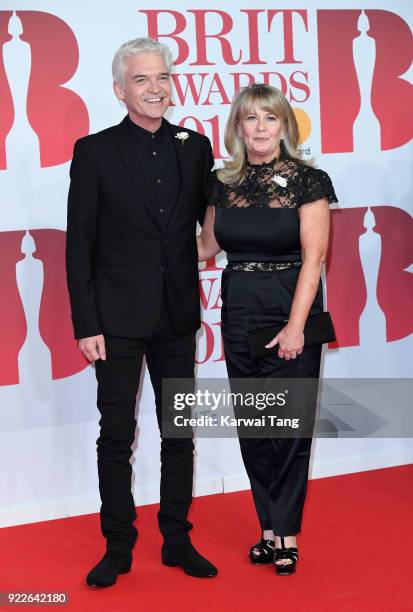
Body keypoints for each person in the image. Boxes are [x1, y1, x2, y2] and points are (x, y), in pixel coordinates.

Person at [66, 37, 217, 587]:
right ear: (119, 89)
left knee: (179, 431)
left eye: (162, 78)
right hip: (116, 321)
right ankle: (119, 543)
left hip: (177, 315)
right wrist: (87, 323)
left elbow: (210, 222)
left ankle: (177, 539)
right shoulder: (94, 151)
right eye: (141, 80)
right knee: (116, 434)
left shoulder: (195, 146)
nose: (155, 88)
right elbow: (79, 245)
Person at [198, 83, 337, 575]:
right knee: (255, 426)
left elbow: (315, 258)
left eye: (270, 119)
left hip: (289, 307)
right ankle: (267, 529)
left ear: (285, 125)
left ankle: (288, 535)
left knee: (290, 429)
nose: (260, 128)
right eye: (250, 119)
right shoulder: (222, 182)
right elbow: (206, 247)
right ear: (237, 126)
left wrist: (297, 325)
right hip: (238, 310)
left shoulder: (309, 180)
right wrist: (141, 241)